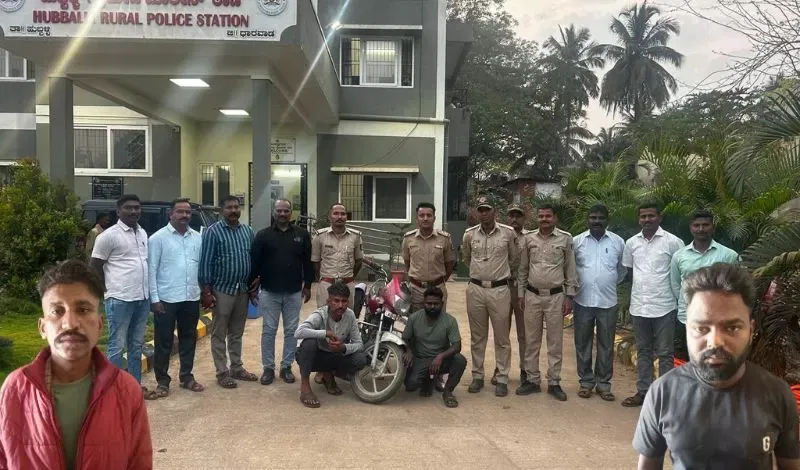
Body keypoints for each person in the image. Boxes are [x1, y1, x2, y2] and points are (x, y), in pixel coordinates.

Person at [633, 263, 800, 470]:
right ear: (687, 329)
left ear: (750, 330)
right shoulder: (662, 393)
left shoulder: (777, 395)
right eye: (701, 328)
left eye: (732, 328)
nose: (715, 341)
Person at [0, 260, 152, 469]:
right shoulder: (15, 389)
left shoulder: (126, 391)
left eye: (83, 309)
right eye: (57, 311)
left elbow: (139, 463)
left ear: (99, 325)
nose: (70, 323)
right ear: (42, 328)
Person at [621, 203, 685, 407]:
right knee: (643, 351)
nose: (647, 220)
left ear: (660, 217)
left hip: (664, 305)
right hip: (639, 305)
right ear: (639, 219)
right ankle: (643, 392)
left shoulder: (673, 242)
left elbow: (681, 272)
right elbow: (631, 272)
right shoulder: (632, 243)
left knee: (665, 353)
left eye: (651, 216)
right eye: (643, 216)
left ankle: (664, 397)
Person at [515, 203, 578, 401]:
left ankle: (554, 382)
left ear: (555, 218)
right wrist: (520, 294)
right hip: (532, 295)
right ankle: (532, 380)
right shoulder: (529, 239)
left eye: (548, 216)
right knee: (531, 340)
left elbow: (570, 269)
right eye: (541, 216)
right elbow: (523, 268)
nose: (544, 219)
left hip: (556, 297)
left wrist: (569, 296)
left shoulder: (565, 239)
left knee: (555, 341)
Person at [90, 194, 151, 393]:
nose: (134, 211)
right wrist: (105, 291)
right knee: (117, 346)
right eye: (128, 208)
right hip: (120, 299)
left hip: (142, 298)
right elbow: (95, 266)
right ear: (118, 211)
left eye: (137, 207)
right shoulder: (108, 236)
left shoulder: (142, 233)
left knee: (136, 345)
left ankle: (133, 388)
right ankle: (113, 391)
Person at [250, 199, 314, 386]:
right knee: (269, 330)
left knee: (292, 331)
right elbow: (255, 263)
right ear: (274, 212)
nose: (283, 214)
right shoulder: (263, 235)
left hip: (294, 291)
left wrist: (308, 285)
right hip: (269, 291)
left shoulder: (301, 235)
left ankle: (286, 367)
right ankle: (268, 368)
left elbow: (307, 262)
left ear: (291, 212)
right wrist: (252, 287)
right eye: (279, 211)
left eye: (286, 210)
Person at [461, 195, 519, 397]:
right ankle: (477, 376)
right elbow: (467, 258)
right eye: (481, 210)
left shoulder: (508, 233)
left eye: (487, 209)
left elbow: (514, 259)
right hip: (476, 289)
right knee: (478, 337)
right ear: (477, 212)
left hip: (499, 290)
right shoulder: (469, 235)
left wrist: (498, 274)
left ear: (495, 211)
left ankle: (502, 378)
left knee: (502, 338)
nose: (484, 213)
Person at [199, 195, 259, 389]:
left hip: (242, 289)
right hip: (222, 290)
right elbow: (206, 262)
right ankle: (222, 372)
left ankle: (237, 368)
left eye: (236, 207)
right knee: (219, 333)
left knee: (237, 332)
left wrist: (253, 285)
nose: (233, 211)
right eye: (229, 208)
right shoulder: (213, 232)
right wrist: (206, 291)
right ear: (221, 211)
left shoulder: (247, 231)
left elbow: (252, 259)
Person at [147, 198, 204, 399]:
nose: (184, 215)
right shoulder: (157, 239)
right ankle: (162, 381)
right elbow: (151, 271)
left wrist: (202, 292)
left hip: (191, 297)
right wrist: (154, 299)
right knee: (164, 341)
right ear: (170, 214)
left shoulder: (197, 238)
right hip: (166, 299)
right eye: (180, 211)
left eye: (188, 212)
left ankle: (186, 377)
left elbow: (200, 268)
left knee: (189, 338)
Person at [572, 204, 626, 401]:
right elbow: (571, 269)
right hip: (582, 300)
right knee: (582, 343)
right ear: (588, 219)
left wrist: (606, 282)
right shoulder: (577, 241)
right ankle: (586, 382)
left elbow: (622, 271)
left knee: (606, 344)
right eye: (593, 217)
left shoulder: (618, 242)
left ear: (607, 220)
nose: (596, 221)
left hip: (608, 301)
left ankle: (603, 384)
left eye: (600, 218)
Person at [670, 210, 739, 361]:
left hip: (718, 320)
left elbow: (736, 286)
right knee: (686, 361)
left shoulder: (729, 255)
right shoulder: (679, 256)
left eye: (705, 225)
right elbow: (675, 285)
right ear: (691, 228)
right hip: (687, 319)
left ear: (713, 227)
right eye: (697, 225)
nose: (701, 229)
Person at [294, 281, 366, 408]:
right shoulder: (320, 314)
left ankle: (328, 375)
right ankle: (305, 387)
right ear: (328, 301)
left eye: (344, 301)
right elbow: (298, 332)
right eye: (336, 301)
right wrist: (325, 333)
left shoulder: (350, 315)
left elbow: (359, 344)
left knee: (360, 359)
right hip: (312, 357)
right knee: (309, 343)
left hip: (333, 355)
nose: (340, 305)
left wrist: (343, 347)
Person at [402, 286, 467, 408]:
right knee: (411, 385)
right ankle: (428, 380)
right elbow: (405, 338)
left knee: (460, 360)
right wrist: (409, 350)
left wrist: (440, 356)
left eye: (436, 304)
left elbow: (457, 346)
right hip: (420, 359)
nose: (432, 307)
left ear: (442, 304)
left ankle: (448, 392)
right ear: (423, 303)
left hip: (440, 360)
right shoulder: (414, 318)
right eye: (429, 303)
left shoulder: (450, 321)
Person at [491, 203, 528, 385]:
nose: (514, 219)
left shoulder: (530, 237)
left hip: (523, 290)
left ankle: (525, 370)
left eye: (518, 215)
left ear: (524, 218)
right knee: (501, 333)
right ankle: (500, 368)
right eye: (511, 215)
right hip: (503, 287)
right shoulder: (501, 235)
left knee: (524, 333)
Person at [402, 202, 456, 312]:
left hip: (437, 289)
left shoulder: (444, 238)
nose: (425, 218)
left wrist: (438, 281)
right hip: (416, 290)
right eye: (422, 215)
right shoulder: (408, 239)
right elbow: (407, 262)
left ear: (434, 218)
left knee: (438, 321)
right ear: (417, 219)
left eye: (429, 215)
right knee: (416, 321)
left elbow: (450, 263)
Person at [312, 202, 363, 309]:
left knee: (347, 315)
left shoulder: (355, 237)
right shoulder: (320, 236)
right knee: (324, 314)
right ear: (329, 217)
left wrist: (350, 278)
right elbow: (315, 261)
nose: (339, 217)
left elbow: (359, 261)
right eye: (335, 213)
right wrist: (322, 279)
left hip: (347, 284)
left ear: (346, 217)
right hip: (326, 284)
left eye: (343, 214)